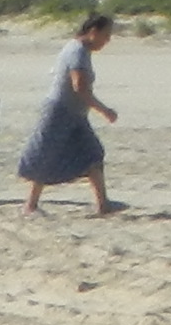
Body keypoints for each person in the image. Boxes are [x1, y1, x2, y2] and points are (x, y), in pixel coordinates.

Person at [17, 12, 121, 215]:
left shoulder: (81, 50)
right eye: (106, 35)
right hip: (59, 111)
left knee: (93, 153)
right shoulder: (77, 51)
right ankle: (30, 205)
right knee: (45, 153)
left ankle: (103, 205)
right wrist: (104, 110)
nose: (108, 40)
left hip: (75, 114)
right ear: (93, 32)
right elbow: (79, 87)